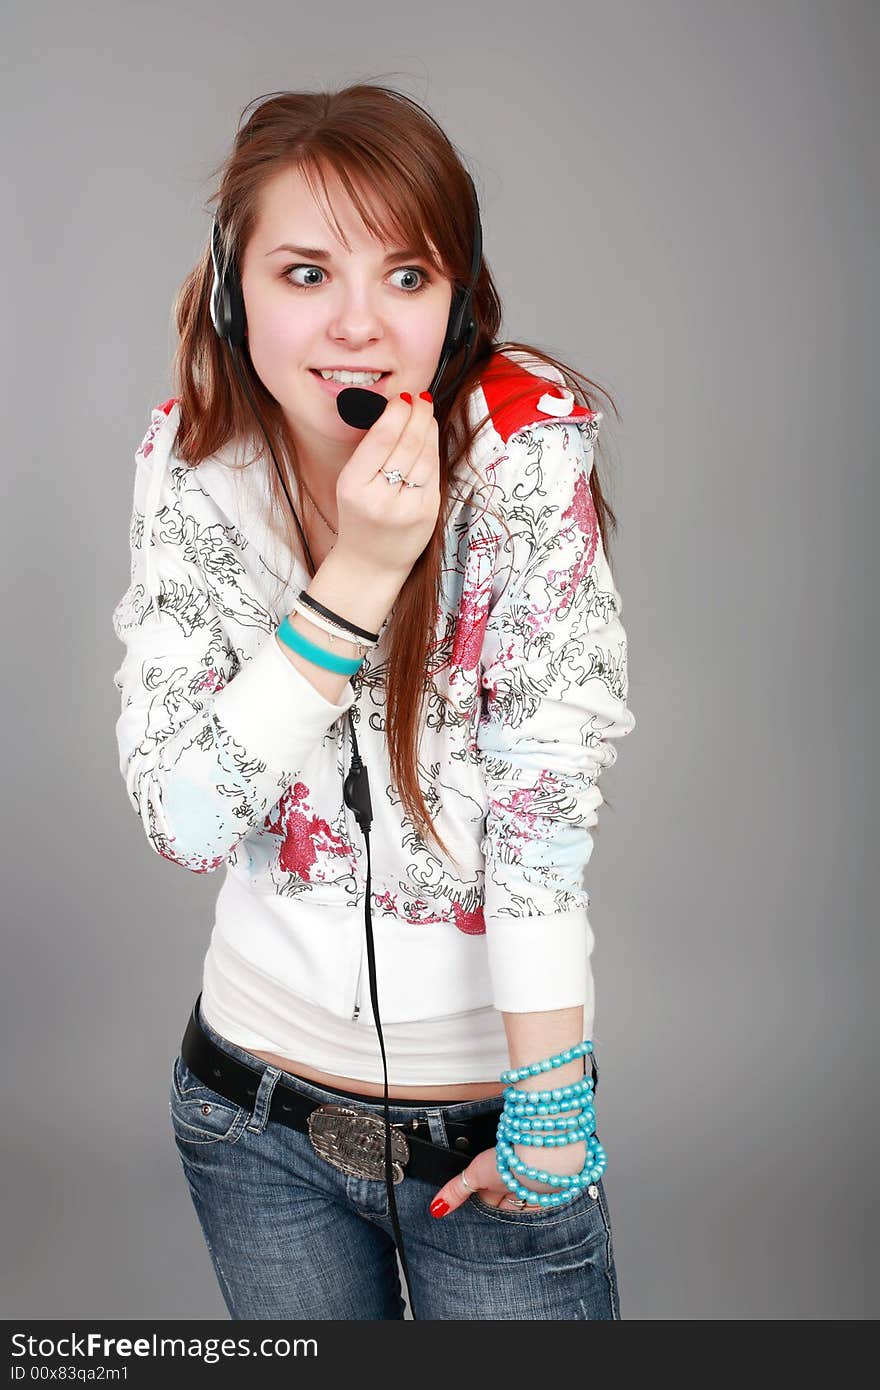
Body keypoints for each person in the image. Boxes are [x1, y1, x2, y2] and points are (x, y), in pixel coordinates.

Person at [111, 82, 636, 1321]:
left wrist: (548, 1096)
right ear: (236, 291)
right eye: (306, 273)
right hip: (252, 1120)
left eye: (408, 277)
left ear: (455, 302)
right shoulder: (192, 462)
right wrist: (351, 581)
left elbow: (542, 790)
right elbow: (185, 819)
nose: (362, 326)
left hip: (489, 1126)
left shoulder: (522, 445)